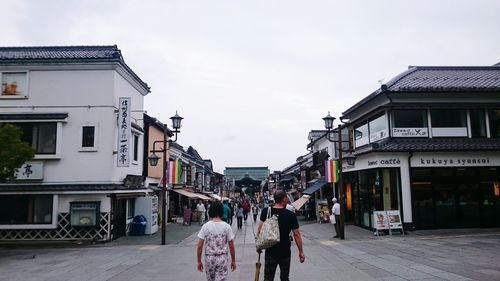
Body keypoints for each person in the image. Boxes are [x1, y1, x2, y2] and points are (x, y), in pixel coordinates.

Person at [257, 190, 305, 281]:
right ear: (284, 199)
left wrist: (258, 246)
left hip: (270, 250)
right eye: (287, 199)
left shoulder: (266, 211)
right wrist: (301, 252)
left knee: (268, 278)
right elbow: (297, 234)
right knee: (285, 277)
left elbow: (260, 229)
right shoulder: (290, 215)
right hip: (285, 251)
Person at [197, 201, 237, 281]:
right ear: (221, 211)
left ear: (210, 211)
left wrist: (199, 261)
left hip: (209, 258)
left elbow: (199, 245)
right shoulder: (227, 227)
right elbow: (231, 245)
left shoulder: (206, 226)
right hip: (222, 258)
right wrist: (233, 261)